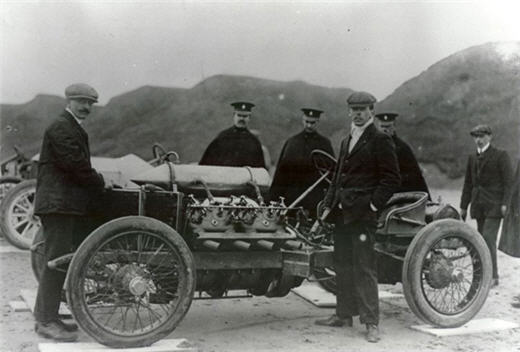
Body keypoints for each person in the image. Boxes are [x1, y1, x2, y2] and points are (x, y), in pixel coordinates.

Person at [315, 92, 400, 343]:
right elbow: (338, 178)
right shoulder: (346, 140)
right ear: (348, 111)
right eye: (354, 109)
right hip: (342, 214)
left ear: (371, 111)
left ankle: (371, 322)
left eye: (363, 109)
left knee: (364, 267)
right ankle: (343, 315)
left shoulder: (380, 139)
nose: (358, 113)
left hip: (363, 215)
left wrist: (373, 205)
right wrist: (327, 208)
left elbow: (391, 179)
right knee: (341, 264)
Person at [33, 83, 106, 342]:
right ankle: (45, 321)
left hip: (62, 203)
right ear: (69, 100)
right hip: (58, 204)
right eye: (81, 102)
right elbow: (75, 165)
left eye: (90, 103)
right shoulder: (62, 127)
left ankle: (48, 315)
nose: (86, 107)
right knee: (55, 261)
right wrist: (100, 182)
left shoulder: (70, 126)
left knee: (58, 261)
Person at [460, 124, 513, 287]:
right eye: (476, 137)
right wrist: (463, 206)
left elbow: (509, 183)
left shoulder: (500, 156)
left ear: (490, 137)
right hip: (479, 206)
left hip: (495, 206)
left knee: (488, 239)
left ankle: (492, 276)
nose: (478, 140)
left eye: (482, 136)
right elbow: (468, 184)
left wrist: (505, 204)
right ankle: (484, 274)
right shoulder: (472, 158)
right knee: (480, 239)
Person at [269, 108, 334, 217]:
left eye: (312, 123)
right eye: (307, 122)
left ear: (318, 121)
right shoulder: (292, 142)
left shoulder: (325, 144)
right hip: (292, 198)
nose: (309, 125)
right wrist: (273, 198)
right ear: (302, 120)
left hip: (314, 199)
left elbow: (331, 174)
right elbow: (281, 173)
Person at [374, 112, 431, 199]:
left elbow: (415, 176)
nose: (385, 130)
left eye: (388, 126)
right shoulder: (372, 147)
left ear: (394, 127)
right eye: (382, 126)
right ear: (378, 127)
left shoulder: (402, 148)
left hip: (399, 194)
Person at [199, 101, 266, 168]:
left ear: (249, 118)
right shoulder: (222, 137)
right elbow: (206, 164)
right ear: (234, 116)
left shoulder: (254, 141)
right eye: (239, 115)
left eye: (245, 116)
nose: (242, 119)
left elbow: (260, 169)